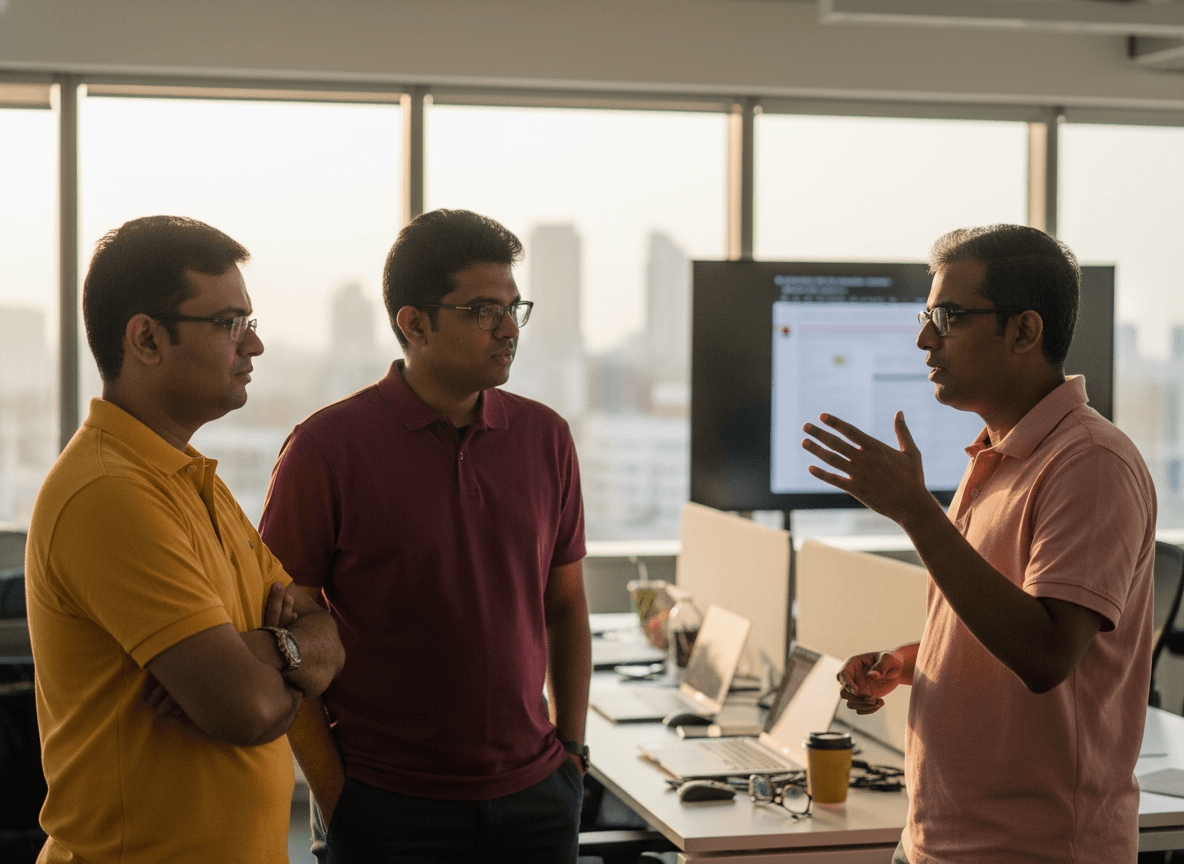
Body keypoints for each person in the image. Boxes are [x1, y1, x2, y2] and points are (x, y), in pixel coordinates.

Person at [801, 224, 1155, 864]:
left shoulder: (1091, 463)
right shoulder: (996, 454)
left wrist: (917, 513)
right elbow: (1001, 619)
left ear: (1024, 331)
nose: (923, 338)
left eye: (948, 316)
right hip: (944, 841)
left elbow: (1046, 652)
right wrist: (915, 662)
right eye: (926, 314)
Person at [259, 208, 590, 863]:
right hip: (387, 806)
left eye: (512, 308)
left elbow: (564, 605)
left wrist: (571, 755)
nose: (506, 329)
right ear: (414, 322)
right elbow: (280, 632)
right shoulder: (326, 447)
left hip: (536, 800)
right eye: (482, 311)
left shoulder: (545, 437)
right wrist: (335, 796)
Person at [25, 215, 346, 864]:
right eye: (230, 324)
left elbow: (331, 638)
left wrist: (266, 648)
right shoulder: (109, 494)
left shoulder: (195, 482)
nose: (253, 347)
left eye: (250, 323)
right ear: (145, 338)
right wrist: (286, 665)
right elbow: (249, 711)